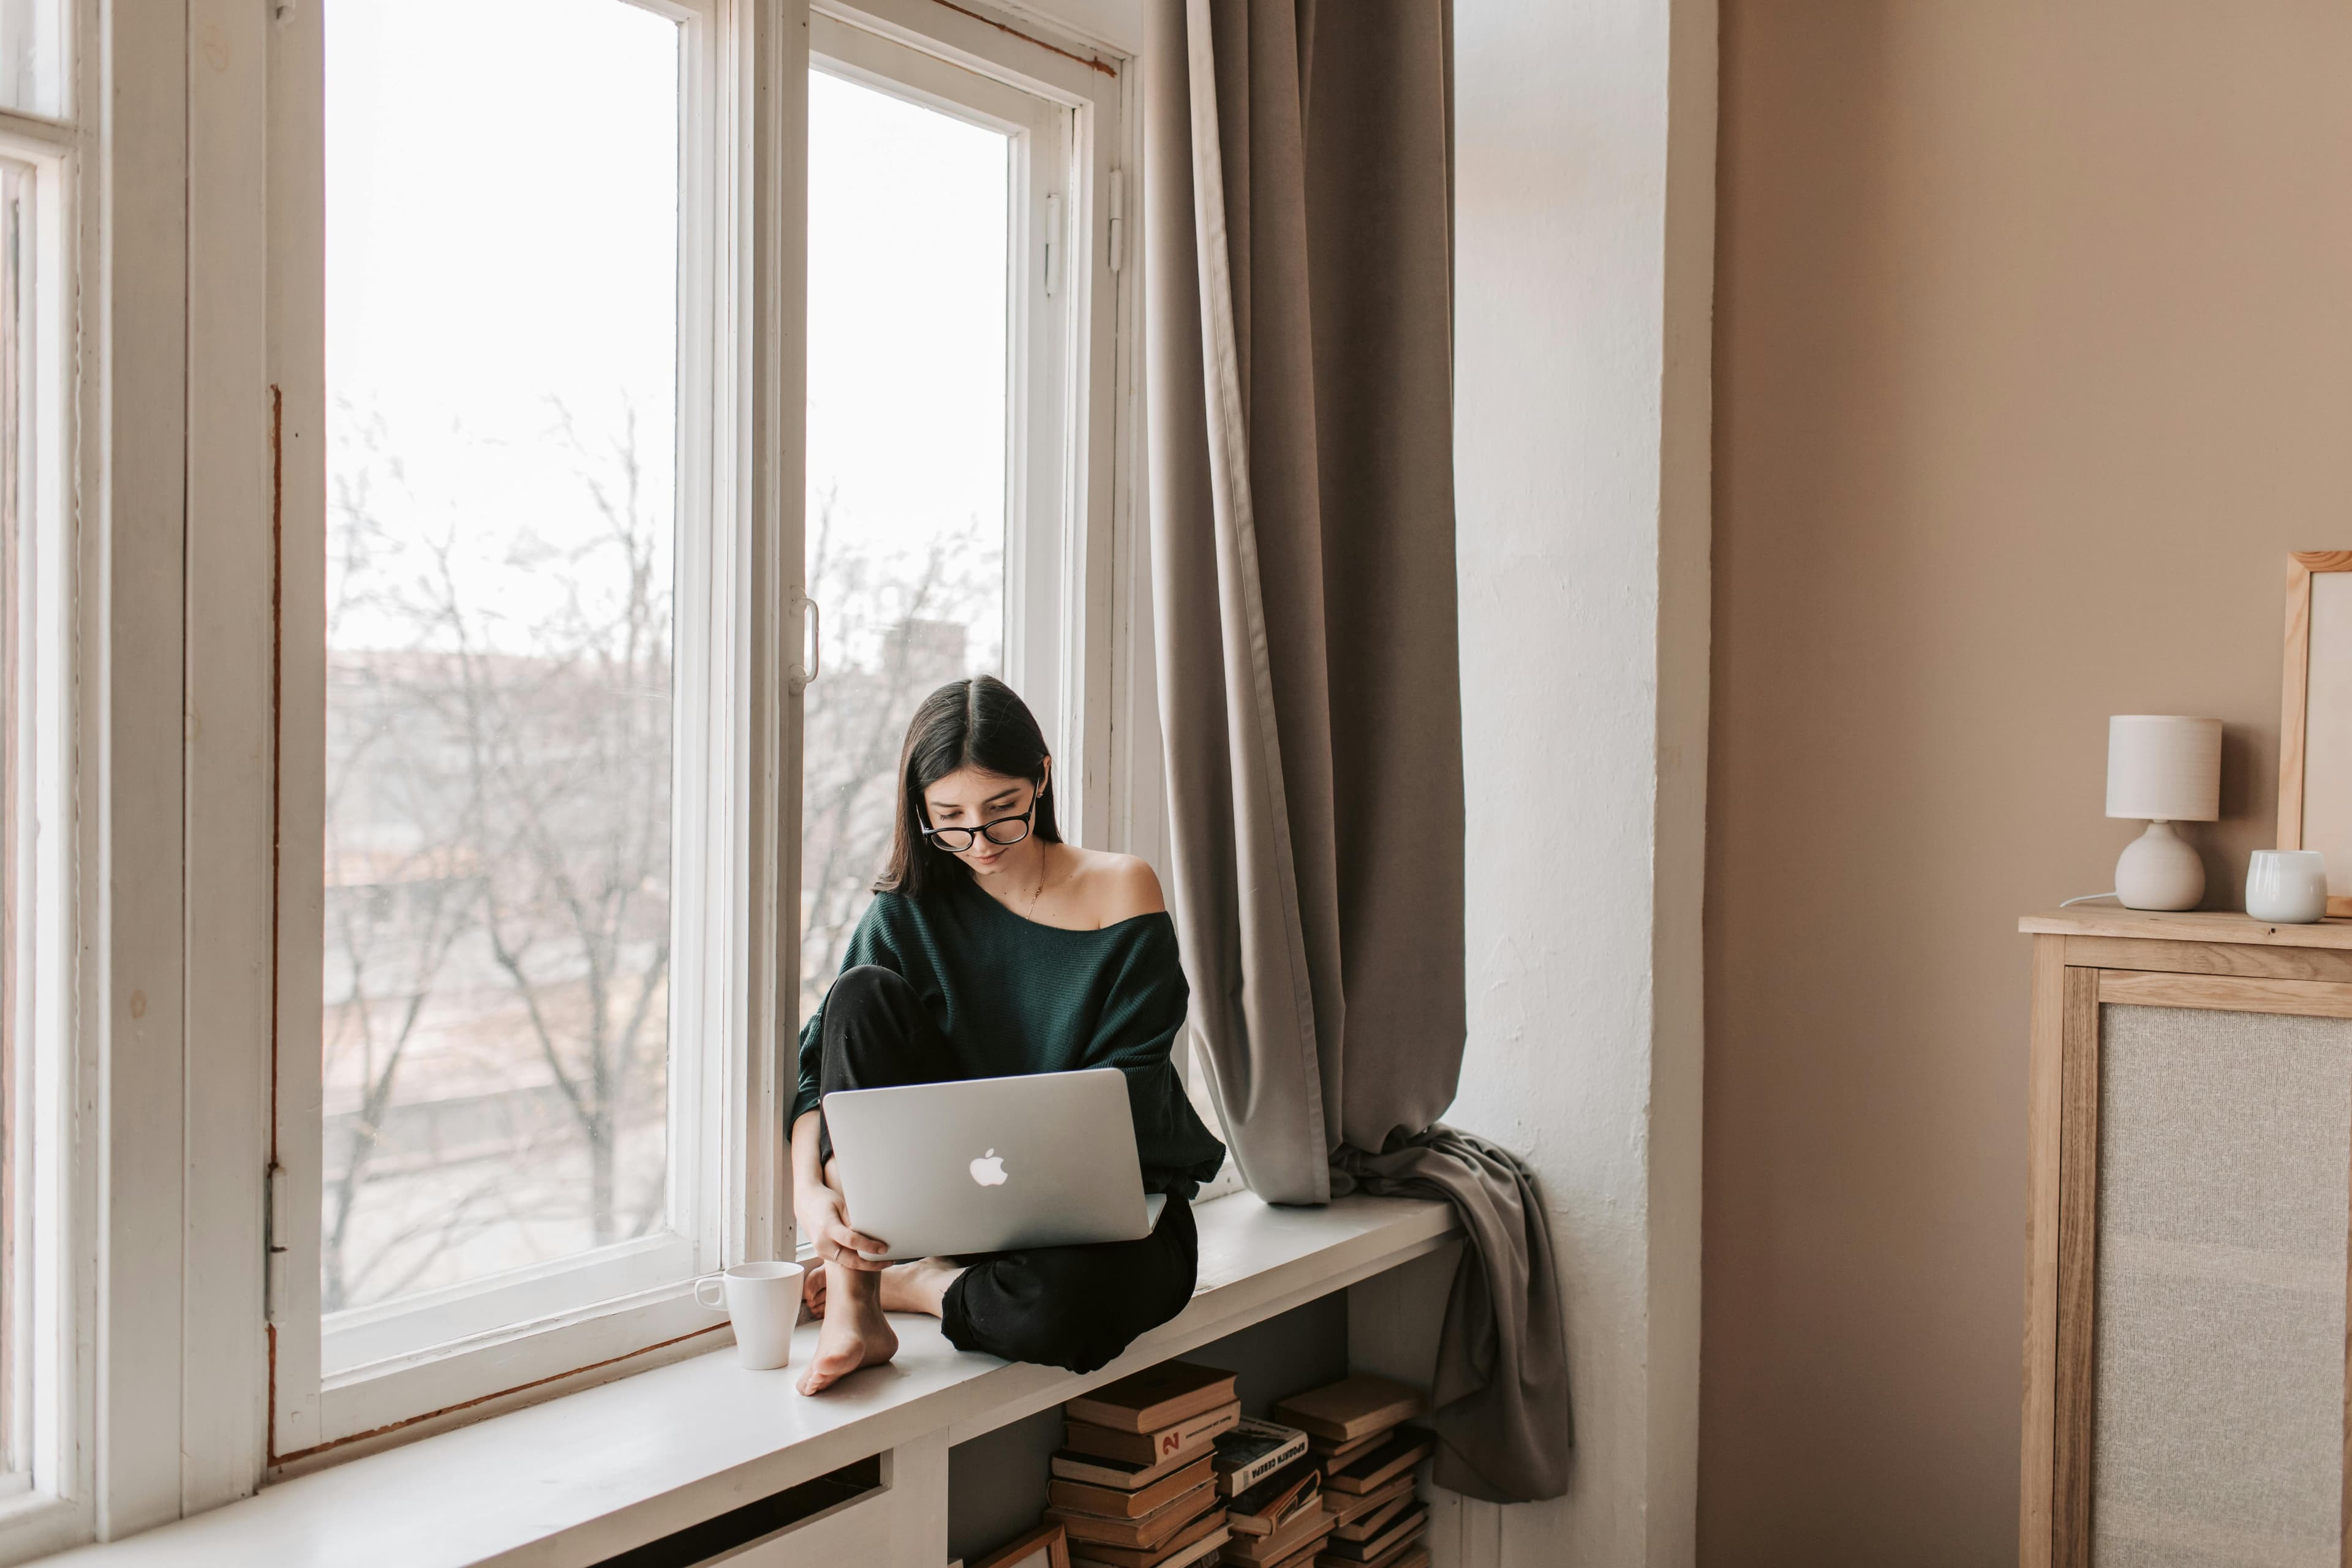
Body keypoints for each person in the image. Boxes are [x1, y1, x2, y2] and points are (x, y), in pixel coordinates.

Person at [791, 674, 1226, 1395]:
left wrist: (933, 1276)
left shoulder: (1120, 888)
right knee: (859, 993)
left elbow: (1134, 1089)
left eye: (1003, 811)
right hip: (952, 1208)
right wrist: (810, 1191)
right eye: (950, 818)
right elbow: (823, 1069)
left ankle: (921, 1287)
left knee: (1064, 1312)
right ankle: (858, 1302)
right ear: (919, 810)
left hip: (1101, 1222)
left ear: (1041, 779)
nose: (980, 841)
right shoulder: (907, 914)